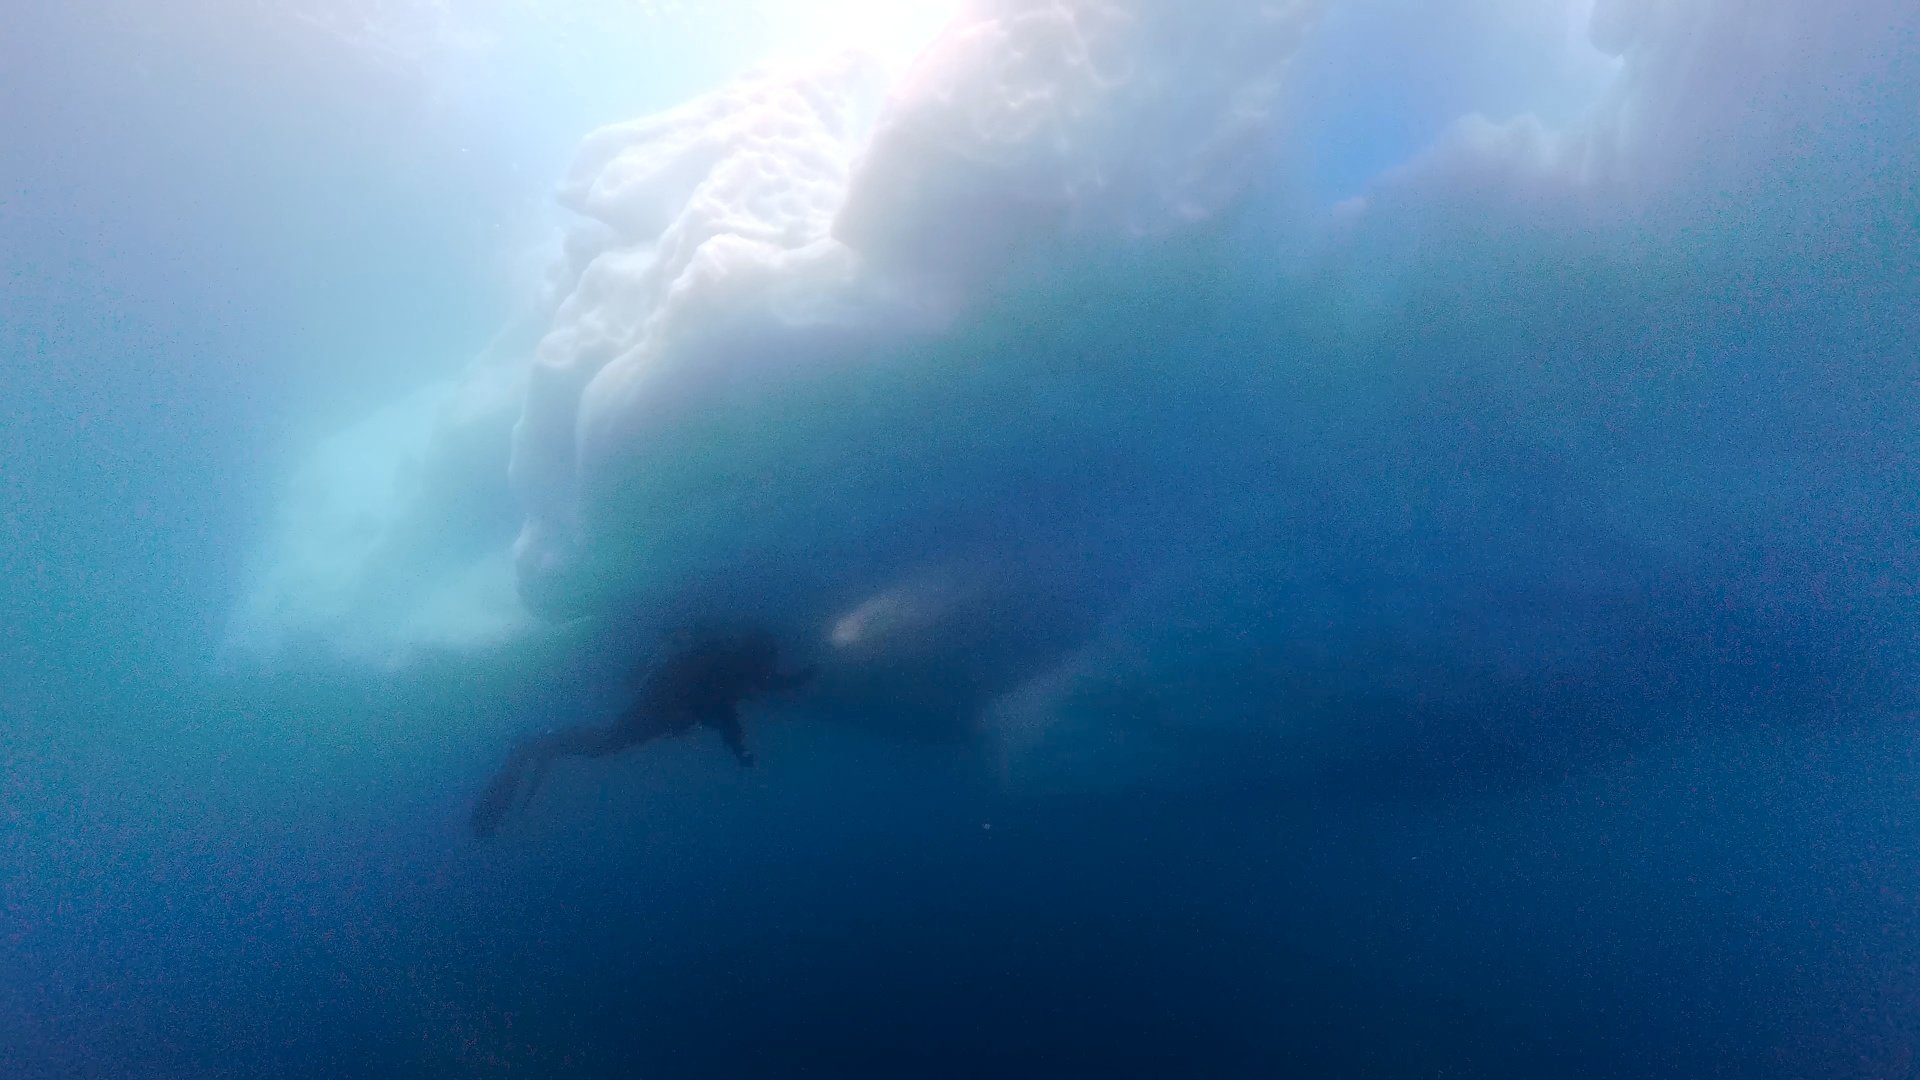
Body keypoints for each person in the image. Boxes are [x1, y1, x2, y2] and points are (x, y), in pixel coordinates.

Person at [468, 627, 816, 837]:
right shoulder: (724, 668)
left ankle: (540, 745)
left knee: (607, 742)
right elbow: (726, 709)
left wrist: (799, 679)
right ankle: (539, 745)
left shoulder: (725, 665)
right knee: (607, 742)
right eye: (764, 662)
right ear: (754, 656)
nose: (765, 670)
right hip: (656, 712)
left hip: (658, 711)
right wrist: (739, 747)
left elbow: (739, 701)